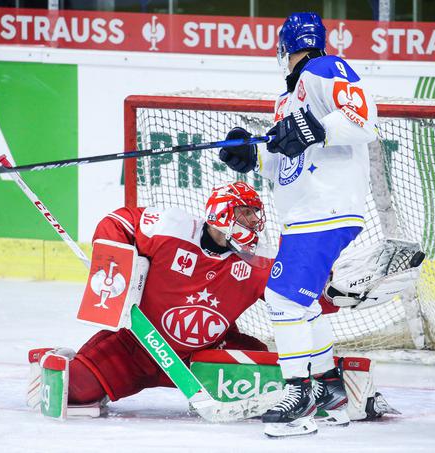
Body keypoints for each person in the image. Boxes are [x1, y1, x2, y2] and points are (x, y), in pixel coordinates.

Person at [219, 12, 380, 437]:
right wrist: (249, 156)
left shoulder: (326, 68)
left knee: (281, 299)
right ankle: (330, 391)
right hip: (305, 213)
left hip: (326, 208)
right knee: (301, 305)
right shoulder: (285, 101)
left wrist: (311, 128)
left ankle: (299, 395)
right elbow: (281, 161)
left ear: (285, 49)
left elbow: (363, 119)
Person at [28, 181, 272, 412]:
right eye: (246, 212)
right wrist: (113, 267)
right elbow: (117, 222)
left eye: (255, 214)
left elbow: (291, 296)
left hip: (204, 356)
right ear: (221, 213)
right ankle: (59, 358)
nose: (253, 221)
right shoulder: (174, 229)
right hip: (137, 346)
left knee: (270, 381)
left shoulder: (259, 261)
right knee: (74, 391)